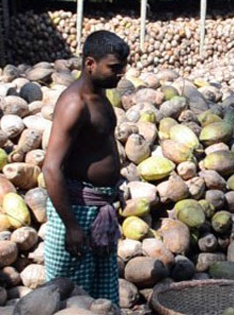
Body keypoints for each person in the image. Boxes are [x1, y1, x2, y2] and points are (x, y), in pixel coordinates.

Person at [42, 30, 130, 306]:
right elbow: (51, 168)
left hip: (98, 207)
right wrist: (71, 226)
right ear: (90, 63)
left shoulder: (100, 96)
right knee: (69, 297)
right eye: (114, 67)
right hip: (78, 210)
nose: (121, 74)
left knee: (100, 297)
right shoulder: (74, 104)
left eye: (123, 67)